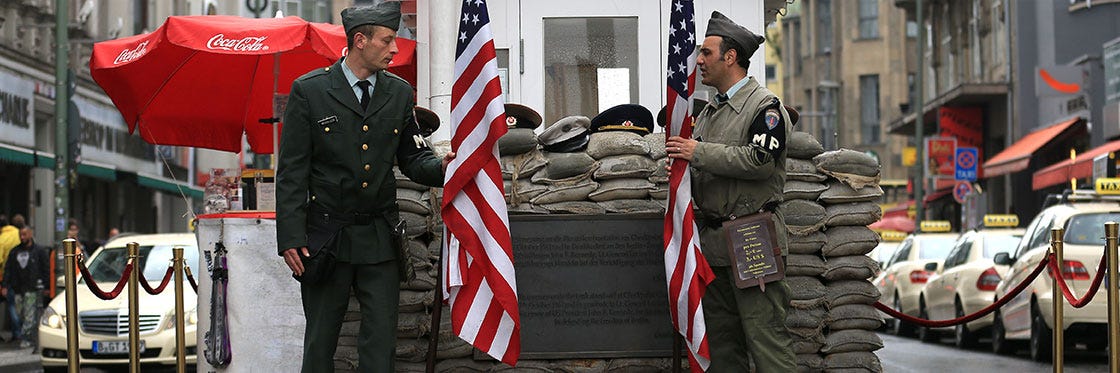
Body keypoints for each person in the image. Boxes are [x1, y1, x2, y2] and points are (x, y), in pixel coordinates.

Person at [275, 2, 453, 371]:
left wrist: (446, 169)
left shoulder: (400, 93)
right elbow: (292, 171)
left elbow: (413, 160)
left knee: (380, 341)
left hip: (379, 235)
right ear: (360, 40)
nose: (395, 49)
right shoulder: (310, 91)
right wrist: (290, 236)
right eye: (388, 40)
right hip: (326, 236)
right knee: (321, 339)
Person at [665, 11, 796, 372]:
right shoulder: (709, 113)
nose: (699, 61)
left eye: (706, 53)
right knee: (723, 347)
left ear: (730, 56)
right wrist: (683, 169)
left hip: (752, 236)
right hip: (713, 244)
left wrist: (697, 153)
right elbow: (711, 166)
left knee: (767, 341)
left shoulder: (765, 107)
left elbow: (760, 161)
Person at [2, 226, 50, 349]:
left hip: (32, 289)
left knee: (29, 315)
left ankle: (27, 338)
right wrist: (5, 285)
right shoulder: (14, 252)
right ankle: (28, 335)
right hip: (18, 288)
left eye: (24, 234)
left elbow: (45, 269)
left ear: (30, 234)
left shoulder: (39, 251)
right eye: (20, 235)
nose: (22, 237)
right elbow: (8, 269)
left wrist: (47, 286)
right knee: (19, 314)